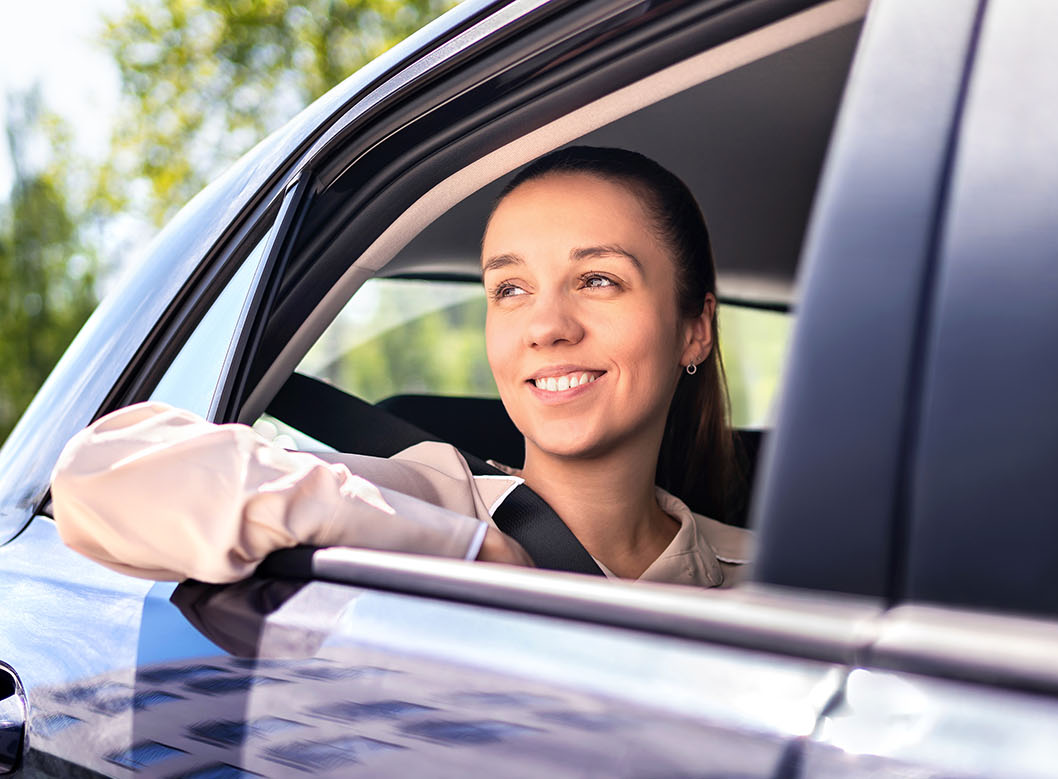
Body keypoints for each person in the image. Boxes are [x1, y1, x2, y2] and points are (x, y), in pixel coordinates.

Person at [51, 146, 751, 588]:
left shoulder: (782, 578)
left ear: (694, 330)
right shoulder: (434, 498)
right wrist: (468, 549)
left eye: (597, 279)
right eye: (511, 289)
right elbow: (97, 476)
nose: (546, 326)